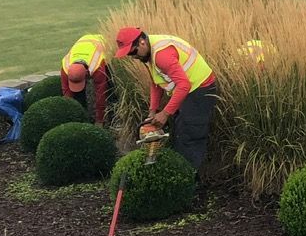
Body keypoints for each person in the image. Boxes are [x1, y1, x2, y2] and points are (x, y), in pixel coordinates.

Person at [115, 26, 218, 172]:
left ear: (142, 42)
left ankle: (188, 180)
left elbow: (184, 85)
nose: (133, 57)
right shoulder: (149, 53)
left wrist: (165, 113)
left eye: (133, 52)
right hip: (188, 91)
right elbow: (156, 82)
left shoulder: (162, 55)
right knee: (179, 132)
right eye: (129, 54)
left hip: (200, 90)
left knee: (189, 135)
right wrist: (153, 110)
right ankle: (183, 175)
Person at [59, 33, 109, 126]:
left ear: (86, 73)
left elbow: (101, 93)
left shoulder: (97, 64)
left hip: (101, 43)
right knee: (78, 96)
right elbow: (66, 92)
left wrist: (100, 120)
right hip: (83, 43)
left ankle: (109, 114)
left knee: (109, 84)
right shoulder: (65, 67)